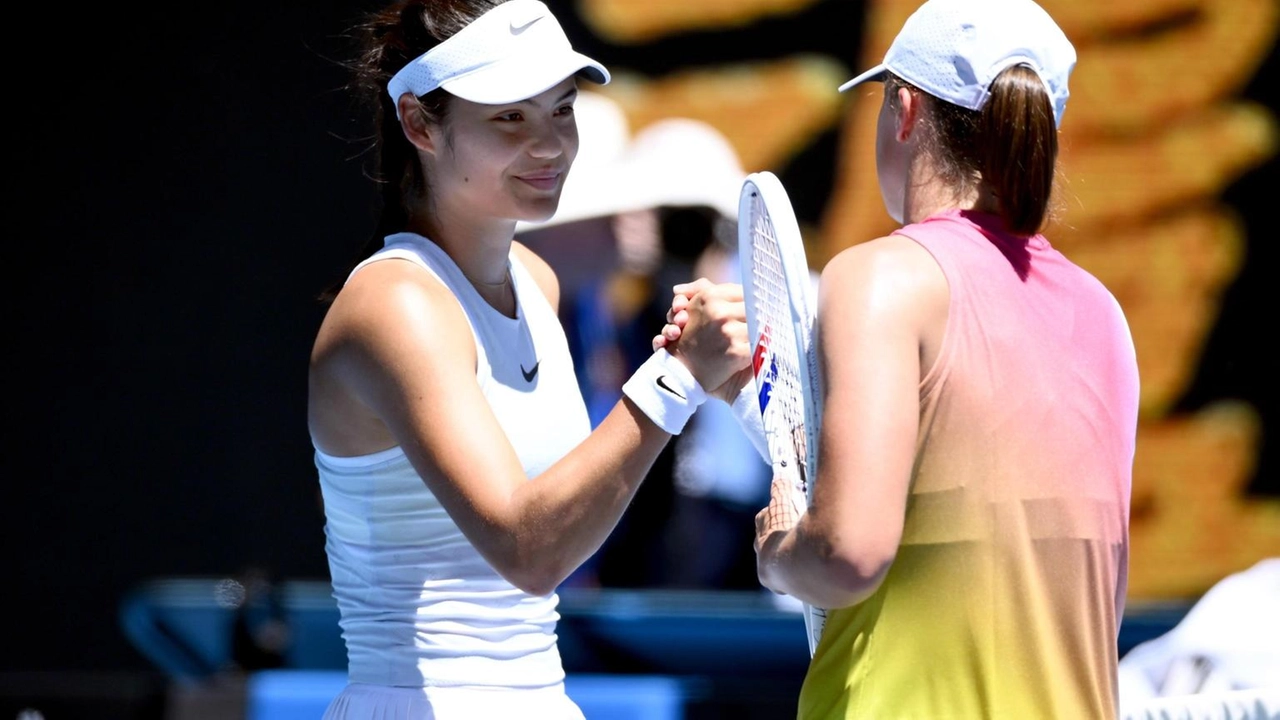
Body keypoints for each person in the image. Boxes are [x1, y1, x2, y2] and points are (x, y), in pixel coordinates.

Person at [661, 0, 1140, 716]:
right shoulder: (1105, 312)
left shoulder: (881, 278)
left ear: (905, 109)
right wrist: (743, 394)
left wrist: (779, 549)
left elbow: (846, 555)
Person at [305, 1, 750, 717]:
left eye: (562, 111)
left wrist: (713, 388)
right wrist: (676, 379)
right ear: (419, 123)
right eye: (509, 117)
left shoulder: (537, 283)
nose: (549, 146)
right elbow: (528, 552)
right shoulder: (396, 306)